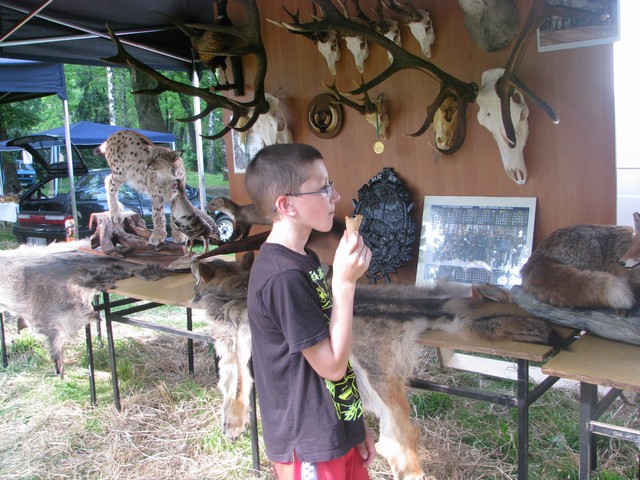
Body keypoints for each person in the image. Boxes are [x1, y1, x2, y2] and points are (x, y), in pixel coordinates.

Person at [245, 143, 376, 480]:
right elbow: (332, 366)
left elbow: (332, 346)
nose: (336, 196)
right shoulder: (283, 277)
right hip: (310, 445)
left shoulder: (304, 259)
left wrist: (354, 423)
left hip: (335, 430)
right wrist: (345, 284)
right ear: (286, 205)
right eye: (323, 188)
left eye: (330, 185)